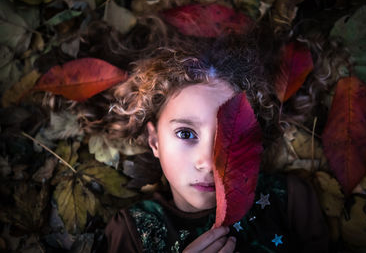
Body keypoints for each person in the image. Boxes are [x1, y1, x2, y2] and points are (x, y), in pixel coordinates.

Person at [54, 19, 346, 252]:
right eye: (185, 133)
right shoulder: (133, 231)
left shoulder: (289, 200)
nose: (208, 161)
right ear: (155, 141)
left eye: (229, 136)